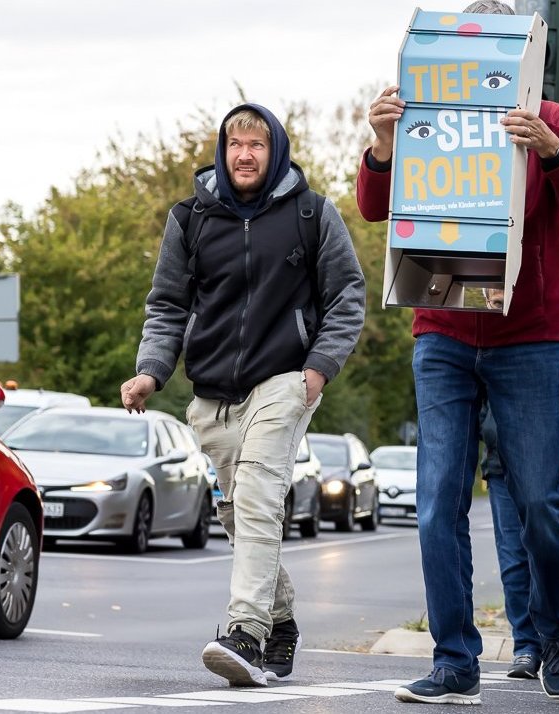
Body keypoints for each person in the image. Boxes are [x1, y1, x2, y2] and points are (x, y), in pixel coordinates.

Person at [355, 1, 559, 703]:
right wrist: (381, 144)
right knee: (437, 504)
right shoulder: (420, 110)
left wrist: (552, 152)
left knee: (543, 503)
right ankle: (454, 660)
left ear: (522, 54)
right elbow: (377, 206)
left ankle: (556, 633)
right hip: (441, 328)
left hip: (531, 336)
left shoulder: (551, 119)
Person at [123, 103, 367, 687]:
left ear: (274, 150)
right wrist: (151, 371)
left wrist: (319, 369)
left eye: (256, 144)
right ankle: (281, 623)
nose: (245, 154)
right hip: (212, 394)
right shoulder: (190, 220)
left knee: (258, 499)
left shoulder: (312, 214)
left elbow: (347, 295)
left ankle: (245, 633)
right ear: (222, 151)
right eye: (235, 144)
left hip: (283, 380)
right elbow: (167, 305)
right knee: (240, 515)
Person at [478, 401, 559, 681]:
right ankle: (525, 645)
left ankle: (556, 638)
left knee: (550, 549)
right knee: (512, 559)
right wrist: (489, 430)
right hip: (501, 460)